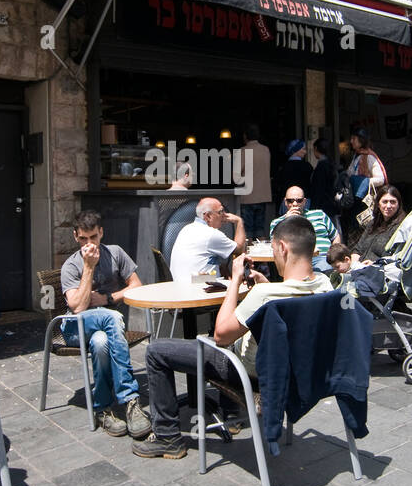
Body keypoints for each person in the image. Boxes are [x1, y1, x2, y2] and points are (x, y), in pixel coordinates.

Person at [132, 215, 333, 459]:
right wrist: (265, 284)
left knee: (156, 351)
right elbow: (290, 303)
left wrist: (236, 280)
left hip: (251, 373)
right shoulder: (325, 286)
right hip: (297, 370)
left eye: (273, 249)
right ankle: (231, 416)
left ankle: (168, 438)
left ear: (282, 247)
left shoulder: (264, 295)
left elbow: (220, 337)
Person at [60, 210, 149, 438]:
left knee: (100, 342)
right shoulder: (71, 266)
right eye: (83, 239)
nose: (88, 243)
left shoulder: (116, 253)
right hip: (76, 327)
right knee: (113, 317)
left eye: (93, 237)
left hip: (106, 331)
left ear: (101, 233)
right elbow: (77, 307)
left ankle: (103, 408)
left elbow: (137, 285)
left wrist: (109, 299)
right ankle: (130, 398)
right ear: (75, 236)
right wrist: (88, 267)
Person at [269, 186, 341, 273]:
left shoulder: (319, 215)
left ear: (304, 202)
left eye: (299, 200)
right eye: (290, 201)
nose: (294, 204)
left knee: (324, 267)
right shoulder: (277, 223)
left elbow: (335, 236)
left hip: (323, 257)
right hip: (295, 260)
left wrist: (333, 255)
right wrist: (287, 221)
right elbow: (275, 245)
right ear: (285, 202)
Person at [170, 197, 245, 279]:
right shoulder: (212, 234)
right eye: (220, 212)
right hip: (197, 283)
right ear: (208, 216)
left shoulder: (186, 228)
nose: (224, 215)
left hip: (181, 281)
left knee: (223, 270)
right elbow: (239, 249)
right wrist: (239, 221)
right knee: (239, 281)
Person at [344, 126, 387, 237]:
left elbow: (380, 179)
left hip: (364, 201)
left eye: (354, 138)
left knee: (362, 232)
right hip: (355, 200)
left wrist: (362, 182)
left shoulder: (369, 157)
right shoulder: (357, 156)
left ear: (361, 140)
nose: (351, 141)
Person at [352, 185, 407, 264]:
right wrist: (354, 264)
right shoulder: (372, 224)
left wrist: (375, 264)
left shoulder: (401, 228)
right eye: (385, 202)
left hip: (379, 271)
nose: (388, 206)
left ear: (398, 205)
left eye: (393, 202)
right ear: (378, 204)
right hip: (359, 269)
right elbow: (357, 250)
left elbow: (396, 258)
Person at [239, 125, 273, 240]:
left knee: (247, 229)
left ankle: (248, 255)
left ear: (245, 136)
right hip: (263, 195)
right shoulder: (265, 150)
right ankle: (261, 254)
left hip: (248, 195)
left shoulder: (243, 151)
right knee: (260, 228)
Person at [277, 139, 314, 208]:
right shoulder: (307, 166)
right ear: (295, 150)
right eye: (303, 149)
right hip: (304, 202)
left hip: (288, 202)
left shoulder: (284, 167)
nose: (305, 152)